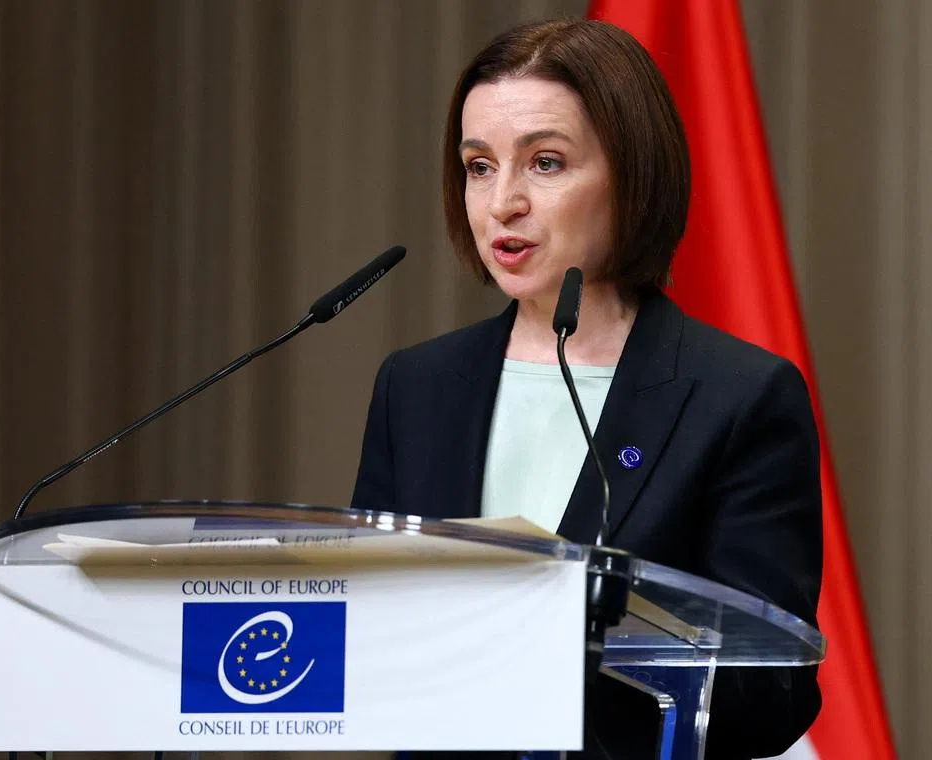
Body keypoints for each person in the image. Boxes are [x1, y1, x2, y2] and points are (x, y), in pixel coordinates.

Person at [352, 17, 823, 760]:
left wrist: (590, 627)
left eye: (544, 163)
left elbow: (774, 692)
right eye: (478, 166)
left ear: (632, 173)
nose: (502, 202)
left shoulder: (739, 397)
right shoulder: (416, 389)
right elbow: (367, 631)